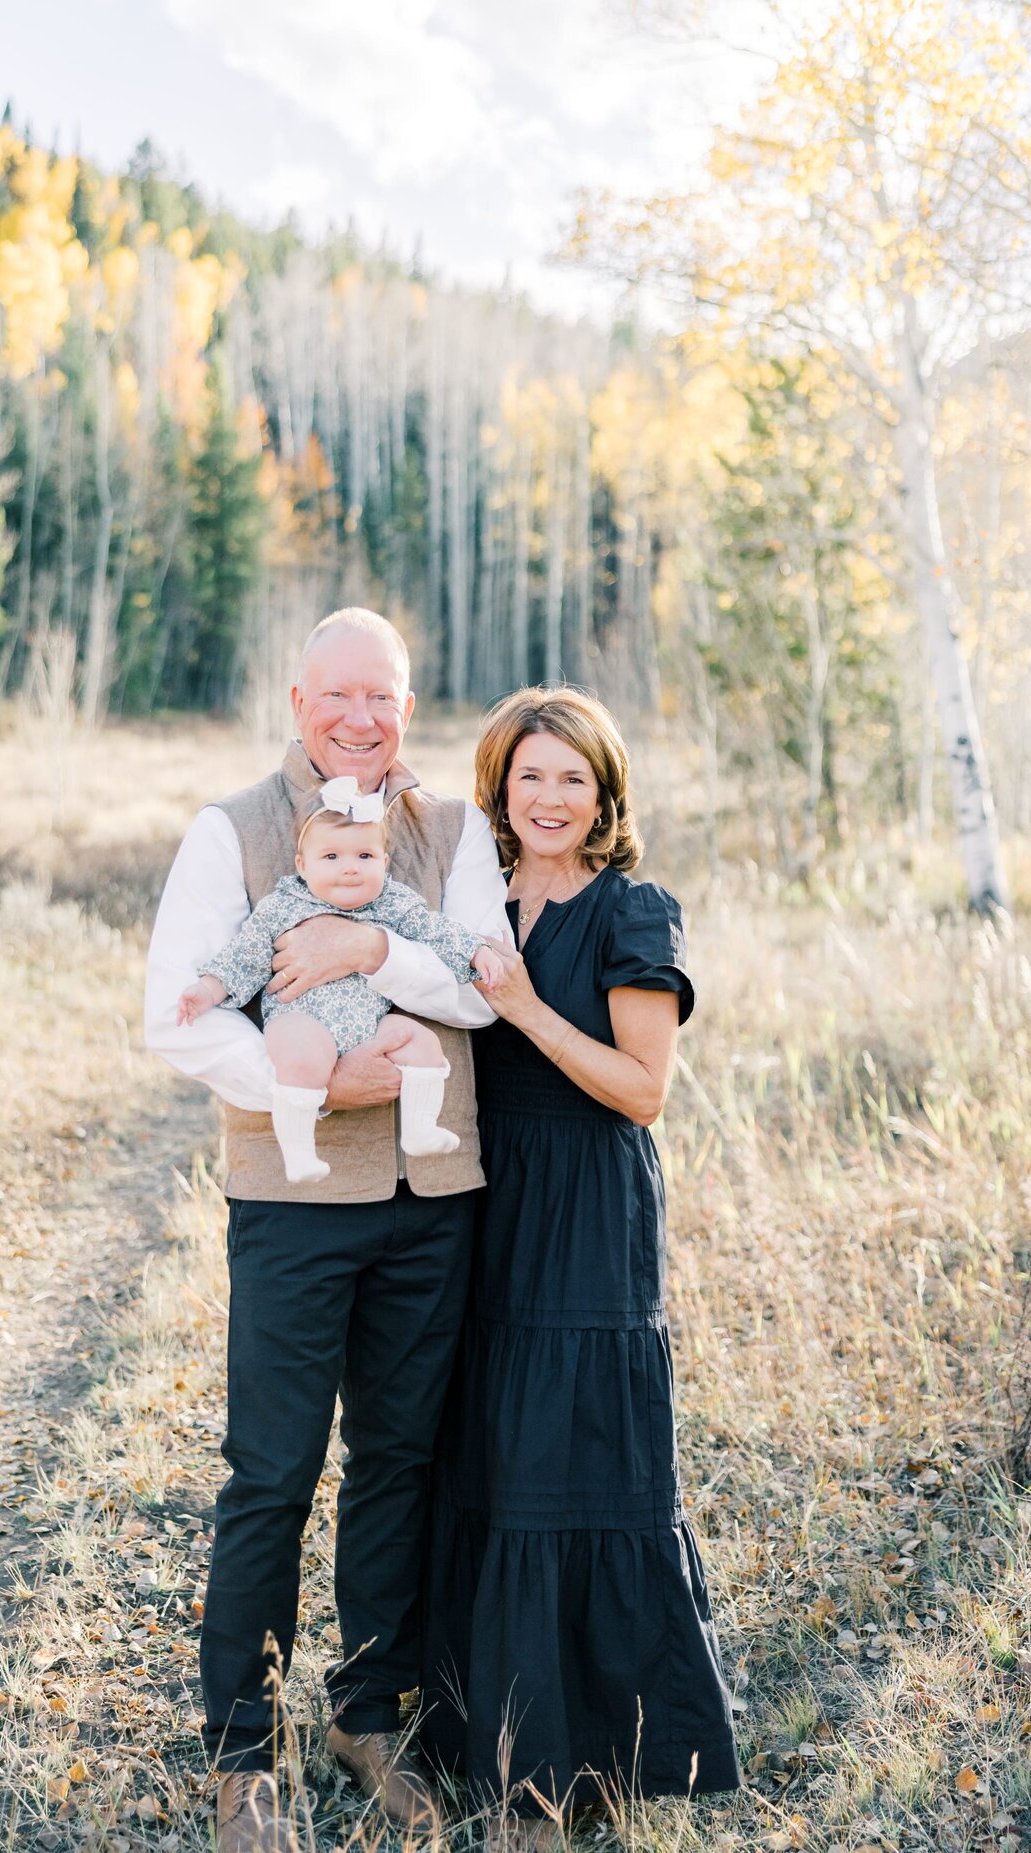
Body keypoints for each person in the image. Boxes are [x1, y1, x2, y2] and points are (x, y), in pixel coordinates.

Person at [144, 608, 509, 1853]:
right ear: (298, 697)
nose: (364, 717)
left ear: (410, 705)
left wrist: (369, 944)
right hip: (293, 1205)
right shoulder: (231, 829)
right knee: (274, 1467)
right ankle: (244, 1745)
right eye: (341, 693)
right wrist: (314, 1083)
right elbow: (177, 1016)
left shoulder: (453, 830)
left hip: (429, 1207)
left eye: (388, 697)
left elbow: (483, 983)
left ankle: (369, 1707)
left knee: (401, 1458)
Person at [420, 686, 742, 1847]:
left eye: (572, 777)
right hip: (482, 1199)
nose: (549, 797)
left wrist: (522, 1007)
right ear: (498, 788)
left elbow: (642, 1090)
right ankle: (495, 1745)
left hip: (587, 1215)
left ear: (605, 791)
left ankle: (562, 1783)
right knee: (493, 1462)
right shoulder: (475, 896)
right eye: (528, 776)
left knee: (574, 1468)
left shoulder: (633, 910)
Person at [177, 789, 504, 1183]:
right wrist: (208, 990)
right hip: (300, 1017)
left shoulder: (390, 902)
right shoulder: (284, 906)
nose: (349, 869)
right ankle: (299, 1152)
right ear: (302, 864)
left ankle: (420, 1129)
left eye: (364, 857)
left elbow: (437, 930)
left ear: (384, 862)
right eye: (331, 857)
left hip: (367, 1027)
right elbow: (244, 957)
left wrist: (476, 951)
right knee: (304, 1059)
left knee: (419, 1041)